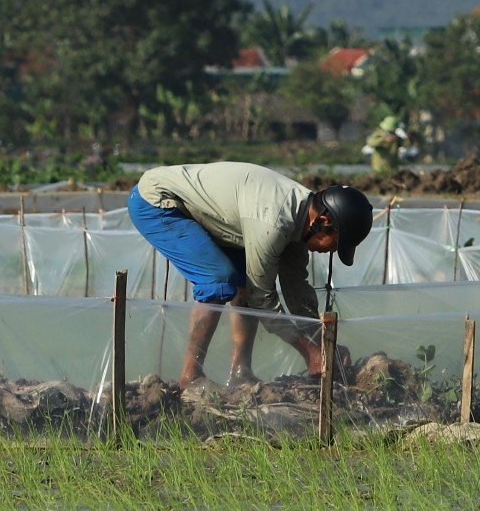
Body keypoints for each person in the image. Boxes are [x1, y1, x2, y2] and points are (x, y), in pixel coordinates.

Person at [129, 161, 372, 386]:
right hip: (158, 201)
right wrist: (309, 352)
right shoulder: (274, 222)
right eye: (334, 243)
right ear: (323, 220)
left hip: (217, 214)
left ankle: (240, 371)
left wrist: (323, 344)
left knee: (244, 281)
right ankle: (190, 376)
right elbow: (262, 299)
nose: (329, 250)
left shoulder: (300, 223)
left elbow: (297, 290)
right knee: (219, 279)